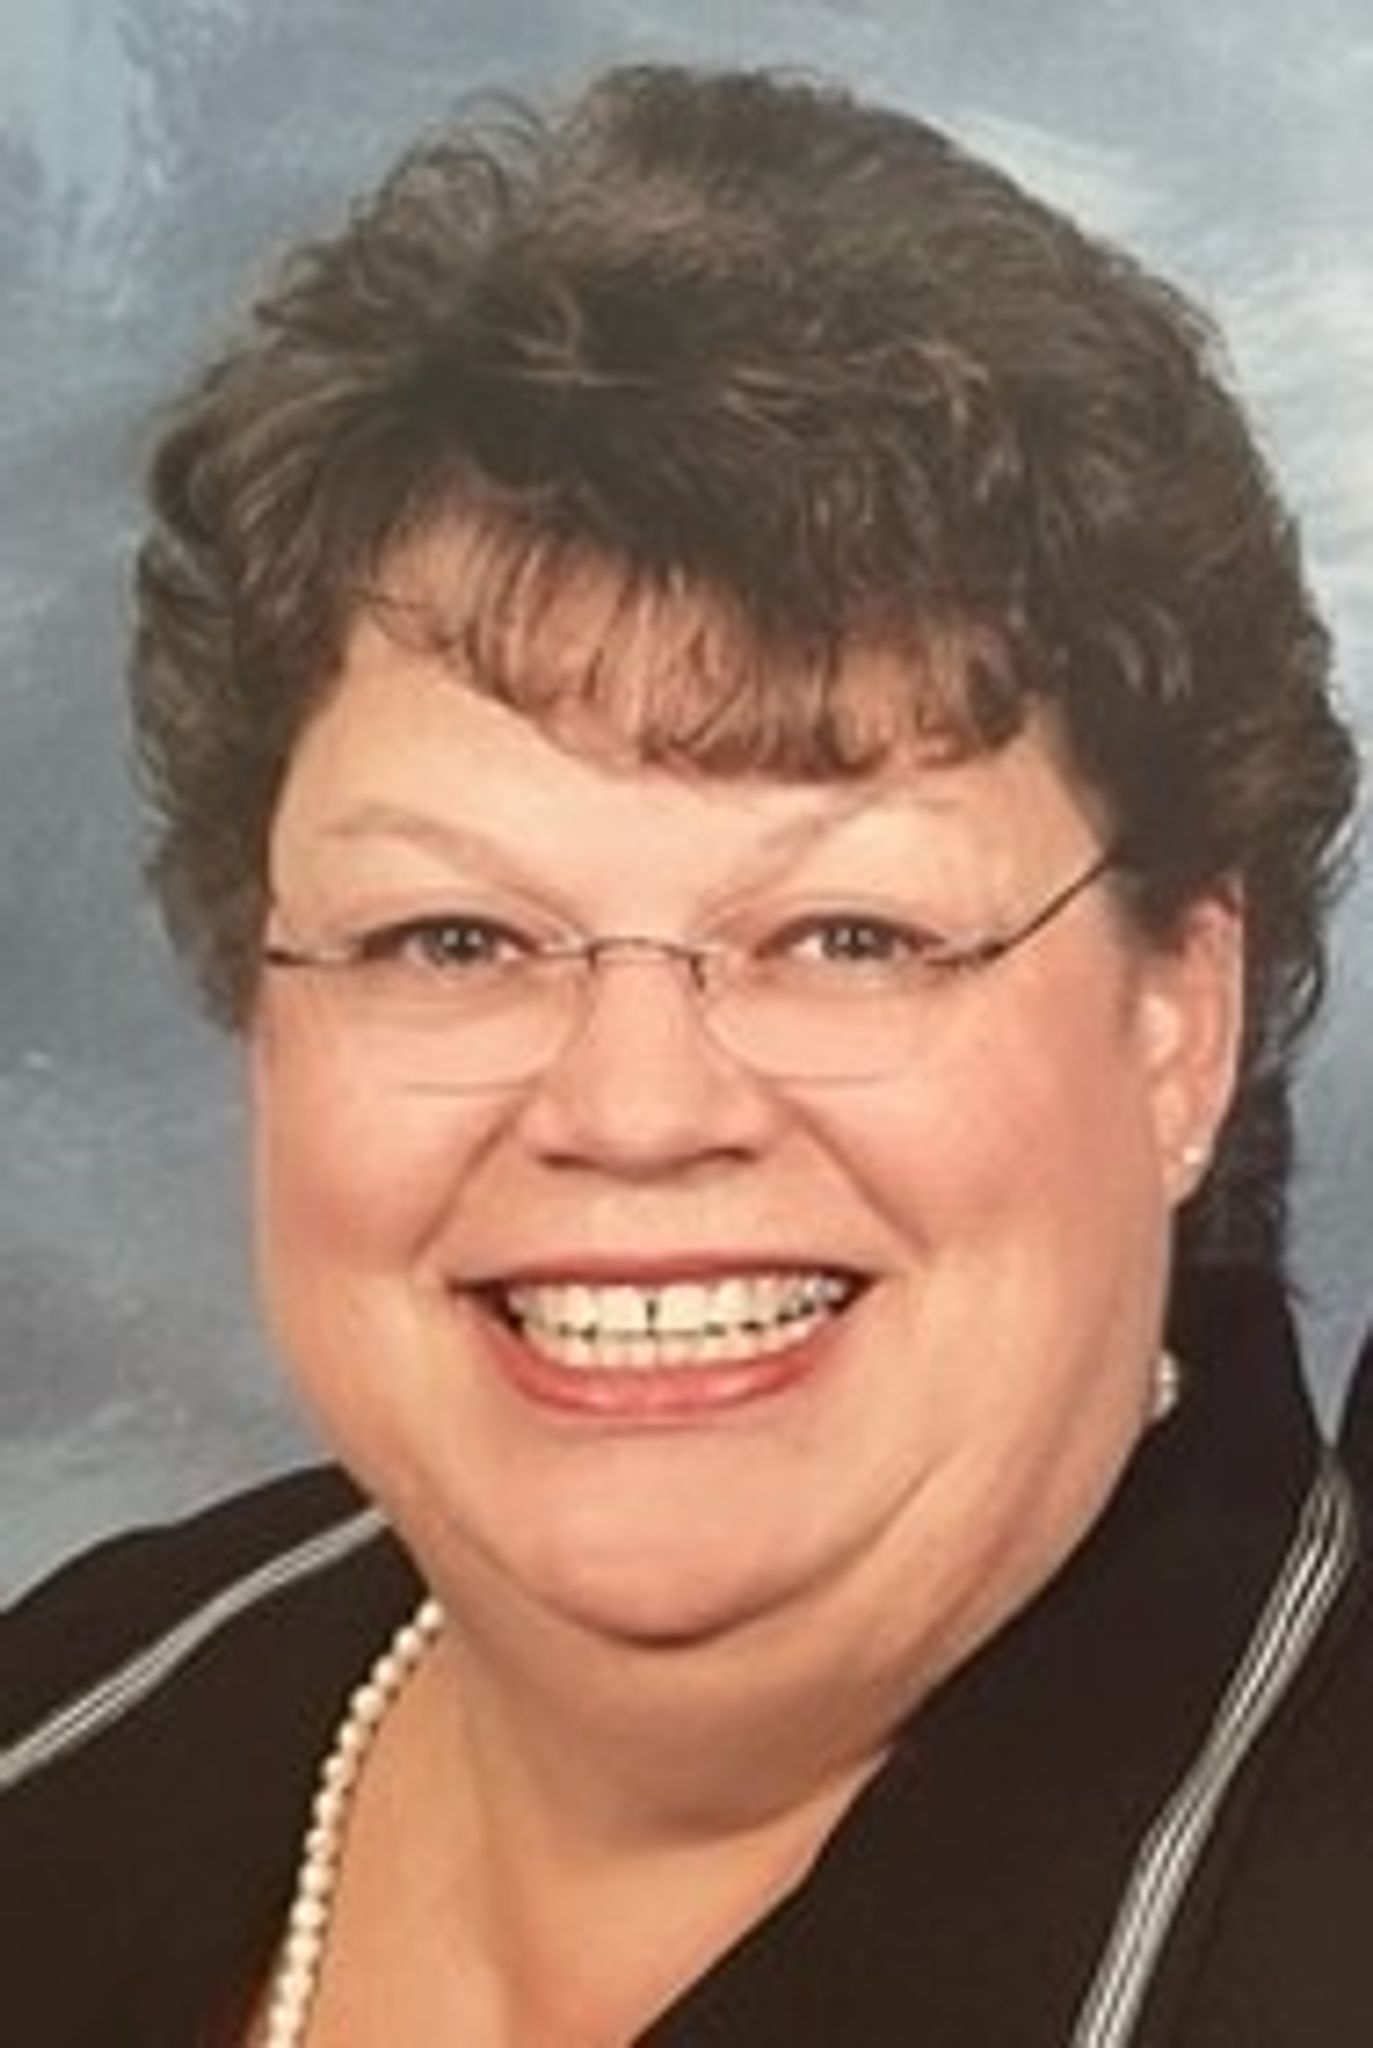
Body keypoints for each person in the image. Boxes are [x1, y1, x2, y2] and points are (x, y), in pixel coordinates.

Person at [1, 60, 1368, 2047]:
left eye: (847, 936)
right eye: (453, 937)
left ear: (1178, 1019)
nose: (632, 1110)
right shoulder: (67, 1710)